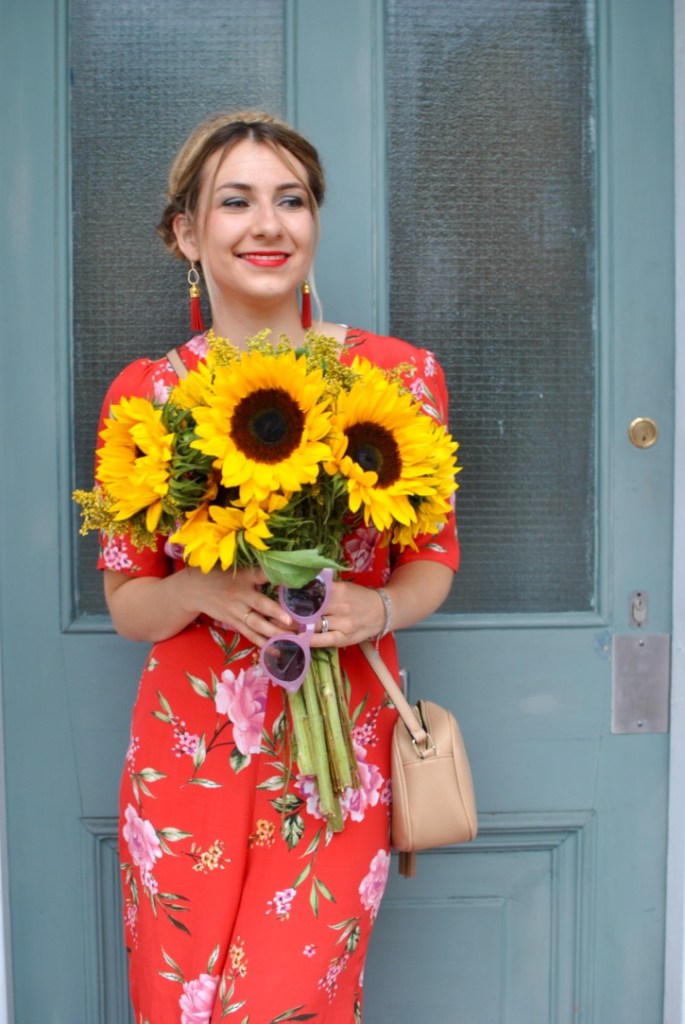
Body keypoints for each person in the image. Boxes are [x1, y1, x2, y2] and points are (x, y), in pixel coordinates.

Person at [97, 110, 459, 1023]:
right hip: (186, 764)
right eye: (236, 202)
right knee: (179, 1004)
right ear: (187, 232)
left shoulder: (397, 380)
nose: (269, 224)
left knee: (292, 1006)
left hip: (334, 771)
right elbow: (128, 604)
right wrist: (199, 589)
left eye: (291, 200)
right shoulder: (145, 397)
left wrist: (370, 614)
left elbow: (432, 564)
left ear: (314, 223)